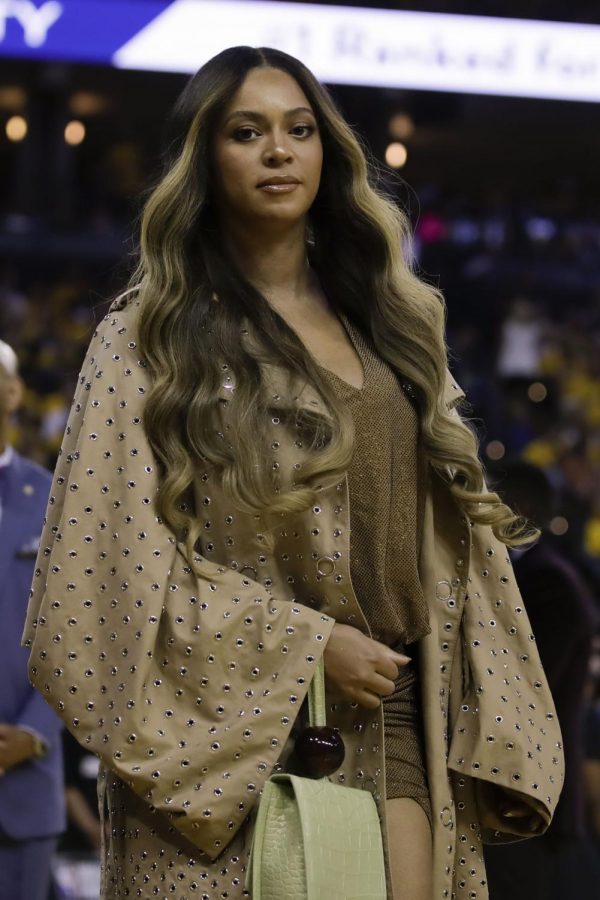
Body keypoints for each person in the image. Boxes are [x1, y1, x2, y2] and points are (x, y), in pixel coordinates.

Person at [23, 47, 563, 900]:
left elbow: (459, 556)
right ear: (206, 160)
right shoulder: (143, 341)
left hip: (395, 731)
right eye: (247, 132)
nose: (279, 151)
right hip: (220, 760)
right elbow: (96, 593)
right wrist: (307, 649)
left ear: (328, 152)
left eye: (299, 130)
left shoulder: (395, 329)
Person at [484, 461, 599, 900]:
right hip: (519, 789)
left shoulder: (549, 581)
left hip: (530, 791)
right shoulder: (539, 574)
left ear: (517, 505)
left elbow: (530, 688)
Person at [0, 340, 65, 900]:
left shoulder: (54, 498)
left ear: (15, 389)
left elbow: (78, 629)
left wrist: (34, 731)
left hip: (26, 779)